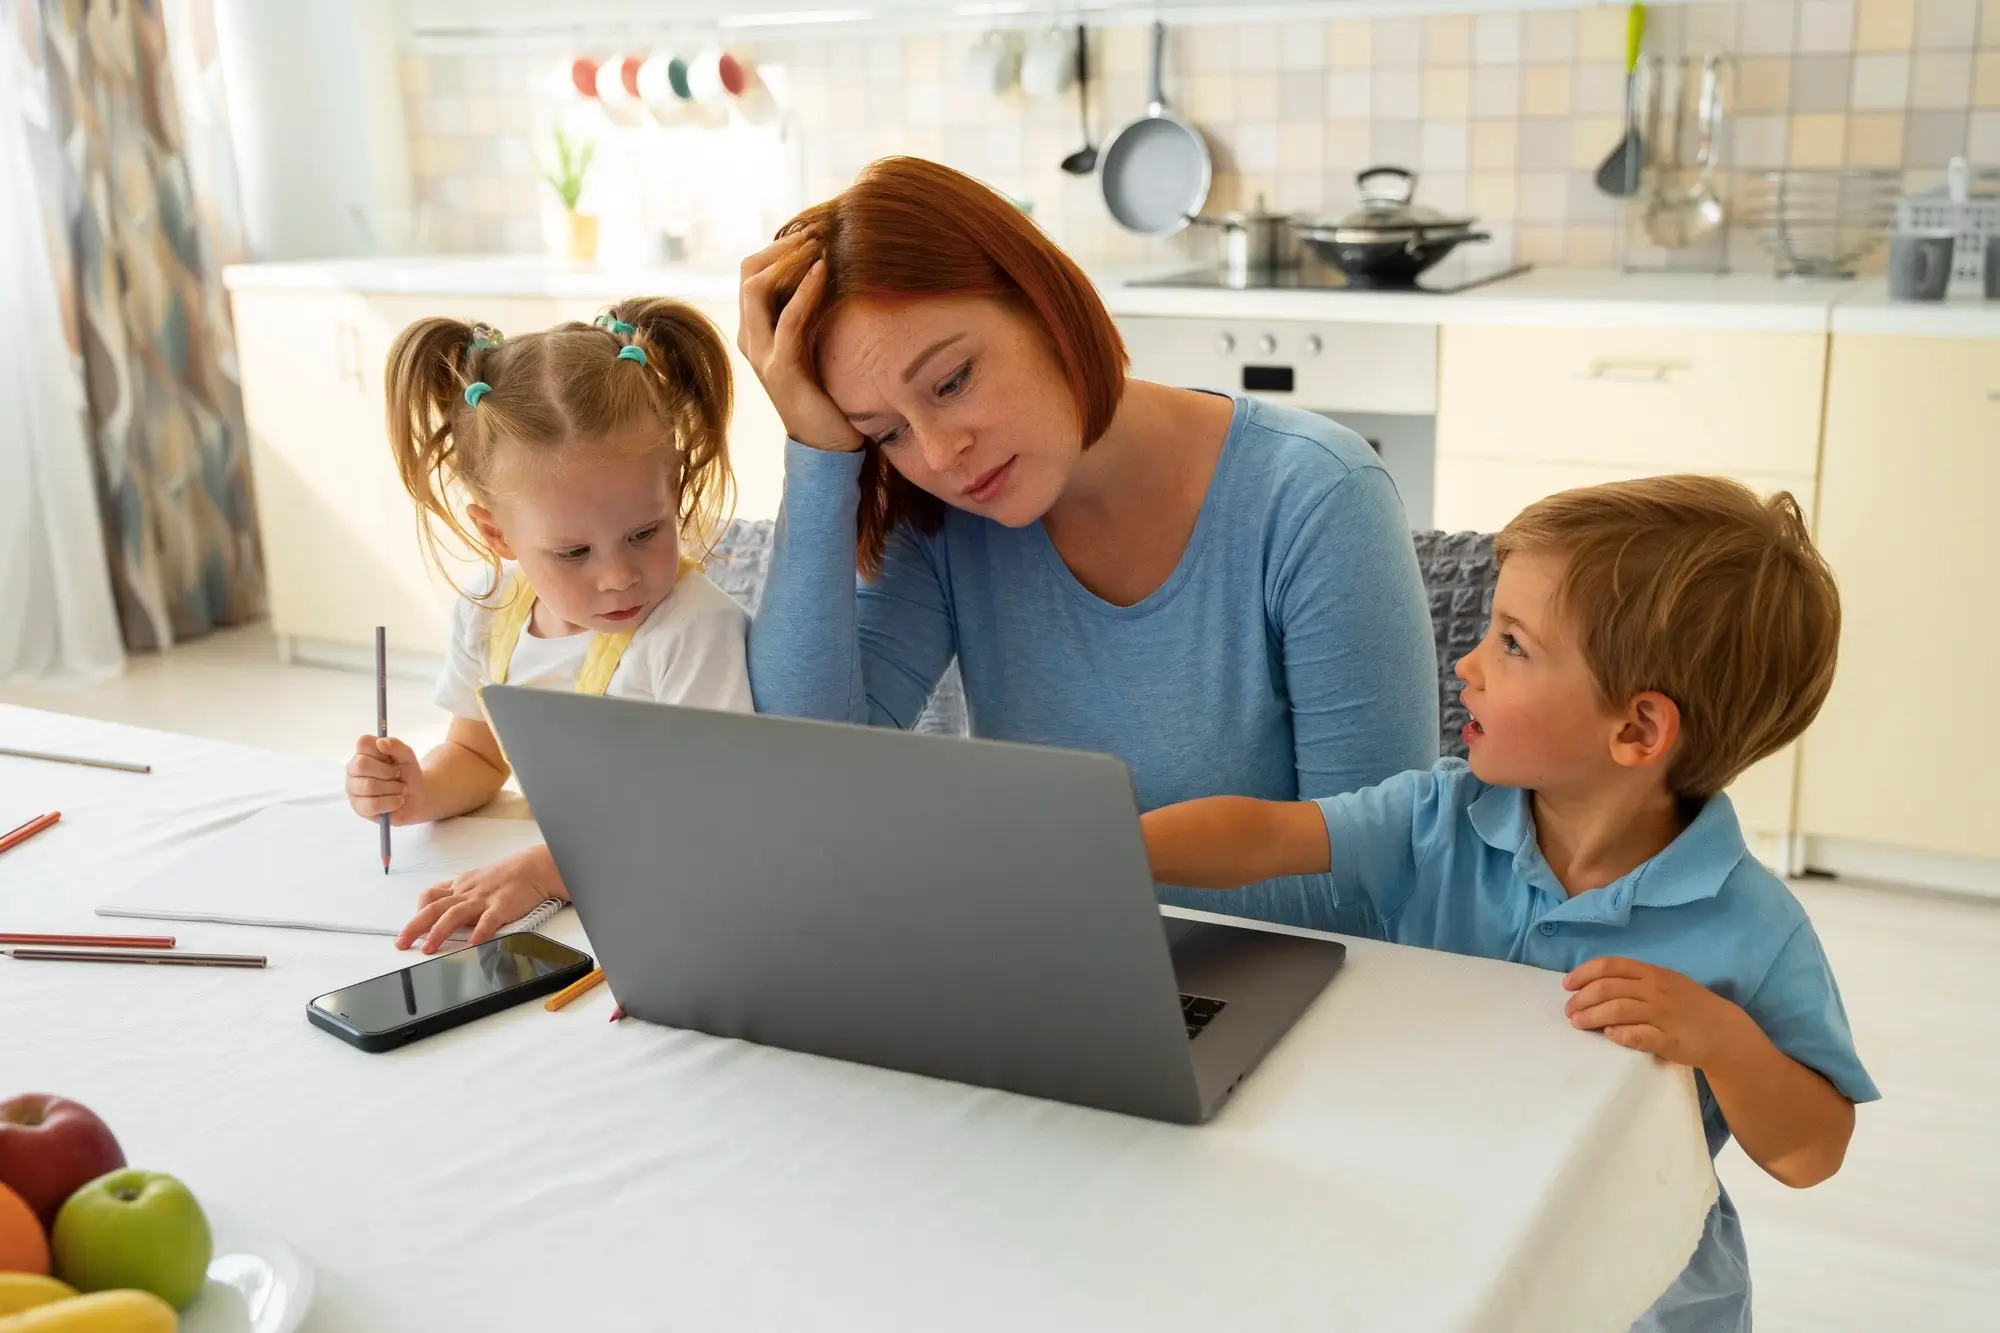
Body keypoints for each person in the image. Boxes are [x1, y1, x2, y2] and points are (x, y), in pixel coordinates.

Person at [1142, 474, 1877, 1332]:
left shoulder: (1752, 928)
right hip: (1427, 1240)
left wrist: (1721, 1037)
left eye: (1513, 644)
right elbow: (1267, 836)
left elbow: (1812, 1153)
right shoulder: (1436, 819)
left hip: (1641, 1301)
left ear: (1638, 731)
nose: (1468, 662)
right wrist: (1109, 844)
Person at [738, 157, 1439, 933]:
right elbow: (810, 770)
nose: (940, 454)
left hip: (1285, 994)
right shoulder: (943, 518)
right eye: (888, 432)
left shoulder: (1317, 497)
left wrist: (1049, 876)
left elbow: (1374, 880)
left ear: (1041, 301)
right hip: (1046, 964)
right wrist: (817, 452)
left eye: (951, 381)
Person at [344, 299, 753, 952]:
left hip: (660, 910)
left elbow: (704, 819)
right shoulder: (490, 610)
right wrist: (415, 790)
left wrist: (545, 869)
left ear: (672, 484)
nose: (618, 575)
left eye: (645, 531)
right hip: (552, 907)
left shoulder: (693, 631)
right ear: (496, 533)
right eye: (574, 552)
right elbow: (479, 757)